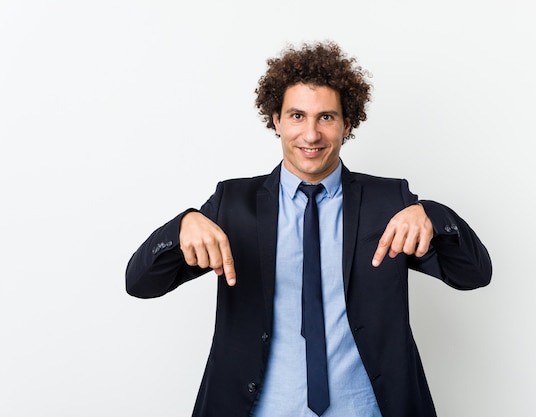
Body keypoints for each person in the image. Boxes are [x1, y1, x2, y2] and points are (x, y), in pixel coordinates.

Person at [126, 40, 492, 417]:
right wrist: (182, 225)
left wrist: (431, 214)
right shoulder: (233, 204)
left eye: (327, 117)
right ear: (277, 120)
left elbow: (474, 274)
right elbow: (140, 284)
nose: (311, 134)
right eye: (297, 116)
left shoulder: (389, 202)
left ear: (347, 123)